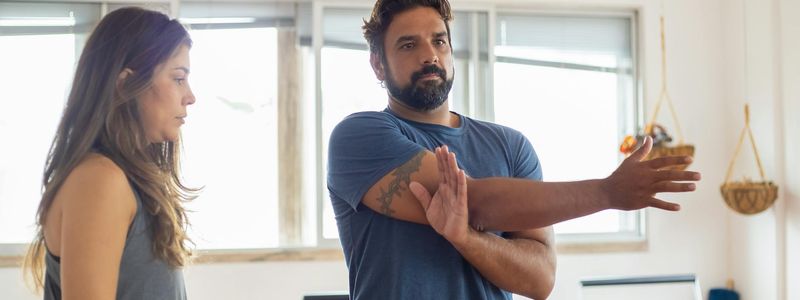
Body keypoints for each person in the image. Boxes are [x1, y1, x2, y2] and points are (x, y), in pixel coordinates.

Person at [326, 0, 702, 299]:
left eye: (439, 41)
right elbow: (474, 202)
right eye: (408, 45)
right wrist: (606, 192)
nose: (430, 55)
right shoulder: (358, 136)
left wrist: (466, 238)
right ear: (378, 64)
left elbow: (539, 280)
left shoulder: (510, 145)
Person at [22, 7, 197, 300]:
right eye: (178, 78)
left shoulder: (122, 179)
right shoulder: (100, 179)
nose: (190, 97)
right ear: (126, 83)